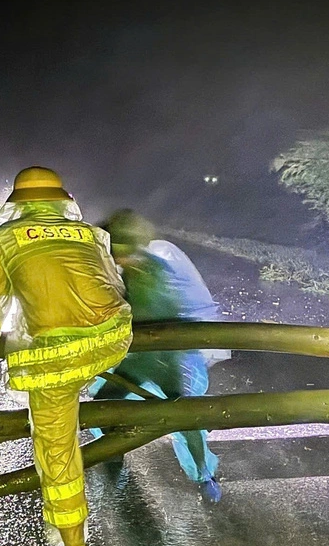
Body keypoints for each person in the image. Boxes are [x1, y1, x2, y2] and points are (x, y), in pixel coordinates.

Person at [0, 166, 132, 546]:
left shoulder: (2, 240)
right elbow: (113, 286)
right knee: (74, 387)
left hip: (57, 356)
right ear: (61, 201)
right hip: (113, 337)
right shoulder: (91, 234)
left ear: (17, 204)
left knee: (57, 451)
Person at [89, 209, 227, 503]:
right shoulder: (122, 271)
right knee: (101, 405)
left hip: (169, 358)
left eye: (121, 251)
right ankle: (113, 453)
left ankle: (204, 475)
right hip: (138, 357)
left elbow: (151, 309)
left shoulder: (153, 270)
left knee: (183, 413)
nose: (117, 257)